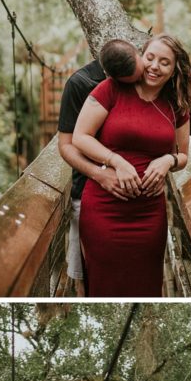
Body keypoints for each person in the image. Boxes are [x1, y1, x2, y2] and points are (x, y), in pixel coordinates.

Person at [72, 34, 191, 297]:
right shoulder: (111, 89)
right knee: (104, 286)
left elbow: (183, 155)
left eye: (165, 62)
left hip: (149, 214)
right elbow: (79, 137)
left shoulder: (177, 104)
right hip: (104, 208)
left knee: (146, 285)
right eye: (150, 57)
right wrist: (115, 161)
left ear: (175, 68)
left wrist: (168, 160)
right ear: (141, 56)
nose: (154, 66)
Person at [57, 41, 146, 296]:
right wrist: (100, 174)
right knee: (86, 278)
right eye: (130, 82)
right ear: (111, 79)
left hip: (137, 204)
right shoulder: (80, 85)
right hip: (88, 193)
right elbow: (65, 146)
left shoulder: (146, 79)